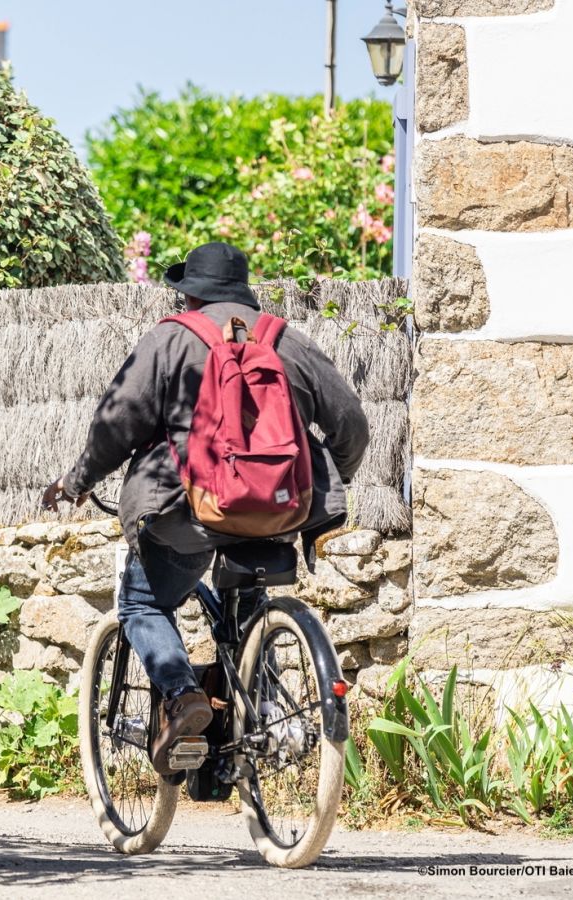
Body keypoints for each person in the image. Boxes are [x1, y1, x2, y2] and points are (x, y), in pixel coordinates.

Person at [41, 242, 370, 776]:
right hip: (278, 512)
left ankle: (182, 695)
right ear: (243, 290)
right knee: (247, 594)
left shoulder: (170, 339)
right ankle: (253, 706)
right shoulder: (286, 341)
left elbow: (116, 426)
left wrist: (76, 483)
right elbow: (351, 422)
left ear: (189, 293)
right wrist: (328, 482)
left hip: (185, 510)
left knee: (142, 605)